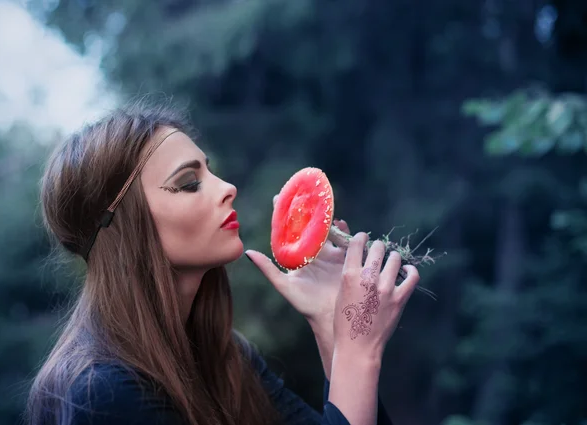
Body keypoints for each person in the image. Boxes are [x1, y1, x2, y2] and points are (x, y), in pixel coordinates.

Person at [25, 101, 420, 425]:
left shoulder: (225, 357)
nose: (227, 188)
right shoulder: (103, 394)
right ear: (124, 226)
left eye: (209, 170)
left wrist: (333, 329)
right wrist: (358, 353)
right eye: (188, 184)